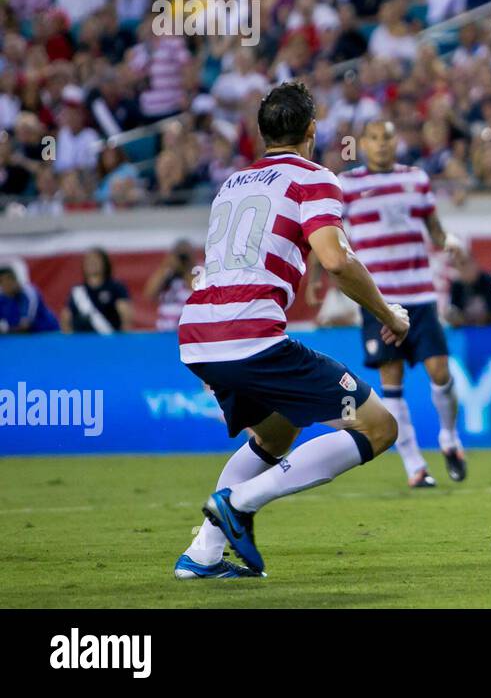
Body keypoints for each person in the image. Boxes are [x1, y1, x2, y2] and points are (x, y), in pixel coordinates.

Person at [173, 81, 410, 580]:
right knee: (378, 426)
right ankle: (239, 503)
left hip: (197, 335)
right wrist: (388, 314)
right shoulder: (313, 178)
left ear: (261, 134)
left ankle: (202, 555)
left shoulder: (232, 183)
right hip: (251, 337)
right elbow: (335, 260)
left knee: (277, 431)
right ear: (312, 130)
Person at [330, 119, 466, 488]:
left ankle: (449, 437)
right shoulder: (346, 186)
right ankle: (415, 466)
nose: (382, 145)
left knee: (440, 371)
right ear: (362, 144)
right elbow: (331, 237)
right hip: (379, 299)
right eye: (374, 139)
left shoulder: (416, 179)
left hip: (420, 295)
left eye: (387, 137)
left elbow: (435, 229)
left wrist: (448, 240)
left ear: (396, 141)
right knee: (392, 381)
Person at [63, 248, 133, 333]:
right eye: (89, 261)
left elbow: (125, 315)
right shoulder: (77, 291)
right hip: (82, 341)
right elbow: (66, 317)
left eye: (96, 260)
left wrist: (123, 339)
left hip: (109, 340)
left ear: (105, 263)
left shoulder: (115, 287)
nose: (92, 263)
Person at [0, 261, 60, 334]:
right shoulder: (2, 297)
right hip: (19, 338)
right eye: (1, 282)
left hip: (46, 334)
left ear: (14, 280)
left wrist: (5, 330)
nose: (5, 285)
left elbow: (25, 326)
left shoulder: (29, 294)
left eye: (7, 281)